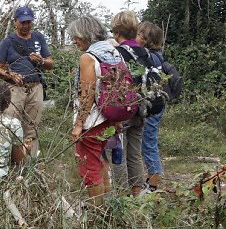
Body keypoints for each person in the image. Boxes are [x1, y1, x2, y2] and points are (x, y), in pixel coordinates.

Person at [68, 15, 125, 199]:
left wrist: (79, 124)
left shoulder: (88, 58)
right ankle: (108, 206)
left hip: (92, 122)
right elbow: (120, 89)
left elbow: (87, 94)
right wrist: (116, 121)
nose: (74, 41)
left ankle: (98, 211)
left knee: (89, 168)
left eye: (76, 36)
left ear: (86, 34)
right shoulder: (113, 52)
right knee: (98, 162)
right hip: (108, 119)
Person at [0, 6, 54, 158]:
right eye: (22, 22)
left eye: (29, 22)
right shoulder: (7, 42)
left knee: (32, 128)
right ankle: (7, 161)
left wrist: (42, 61)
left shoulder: (38, 38)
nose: (26, 25)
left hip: (36, 88)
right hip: (14, 89)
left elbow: (51, 64)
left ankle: (29, 163)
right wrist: (10, 75)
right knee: (10, 125)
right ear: (15, 22)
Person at [110, 10, 150, 196]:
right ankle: (137, 197)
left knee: (118, 154)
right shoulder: (145, 52)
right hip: (142, 108)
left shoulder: (117, 53)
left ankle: (122, 198)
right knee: (134, 154)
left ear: (118, 33)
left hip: (124, 109)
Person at [137, 21, 167, 193]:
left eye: (139, 34)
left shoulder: (148, 56)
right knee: (148, 141)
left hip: (151, 104)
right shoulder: (159, 56)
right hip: (158, 103)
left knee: (149, 142)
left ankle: (152, 185)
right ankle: (150, 180)